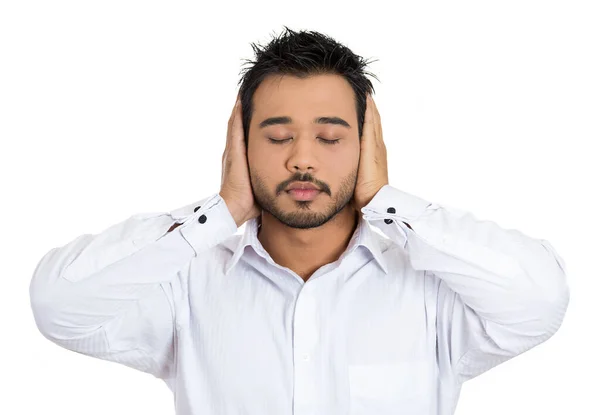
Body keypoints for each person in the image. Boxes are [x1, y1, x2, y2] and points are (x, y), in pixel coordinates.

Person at [29, 26, 570, 415]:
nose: (302, 160)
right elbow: (59, 307)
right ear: (241, 143)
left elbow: (539, 299)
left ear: (367, 144)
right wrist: (218, 214)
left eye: (331, 137)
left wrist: (388, 200)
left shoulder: (432, 287)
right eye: (278, 136)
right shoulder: (186, 282)